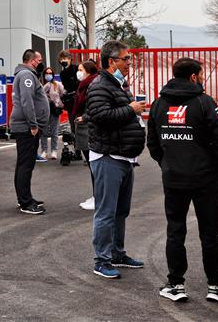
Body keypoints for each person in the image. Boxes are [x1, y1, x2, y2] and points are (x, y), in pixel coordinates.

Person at [147, 58, 218, 303]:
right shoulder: (205, 103)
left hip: (174, 178)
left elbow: (152, 143)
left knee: (175, 231)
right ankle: (216, 285)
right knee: (209, 233)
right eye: (201, 74)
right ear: (194, 76)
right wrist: (214, 168)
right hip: (203, 178)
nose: (203, 77)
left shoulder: (158, 104)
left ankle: (175, 284)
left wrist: (167, 164)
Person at [86, 40, 147, 279]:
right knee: (106, 212)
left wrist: (132, 109)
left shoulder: (119, 85)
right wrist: (131, 109)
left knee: (121, 211)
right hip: (107, 157)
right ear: (112, 62)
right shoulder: (100, 85)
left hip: (123, 156)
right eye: (126, 59)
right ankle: (101, 260)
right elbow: (101, 116)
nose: (130, 63)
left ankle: (117, 253)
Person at [10, 49, 49, 215]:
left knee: (24, 164)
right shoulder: (26, 75)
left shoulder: (26, 75)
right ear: (32, 60)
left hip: (27, 126)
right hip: (27, 127)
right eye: (39, 61)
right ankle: (25, 203)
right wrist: (33, 125)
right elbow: (27, 101)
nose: (40, 63)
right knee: (25, 165)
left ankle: (25, 197)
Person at [72, 59, 99, 210]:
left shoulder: (92, 85)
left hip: (88, 128)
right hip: (83, 128)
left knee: (94, 165)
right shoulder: (84, 85)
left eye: (81, 69)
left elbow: (95, 106)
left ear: (88, 71)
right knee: (91, 165)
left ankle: (98, 196)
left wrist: (85, 117)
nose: (79, 72)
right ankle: (96, 194)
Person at [41, 67, 65, 160]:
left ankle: (54, 150)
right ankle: (44, 151)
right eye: (47, 73)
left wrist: (59, 104)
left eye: (50, 73)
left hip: (55, 111)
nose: (48, 75)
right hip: (43, 111)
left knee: (54, 132)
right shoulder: (41, 85)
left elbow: (63, 95)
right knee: (44, 132)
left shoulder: (57, 84)